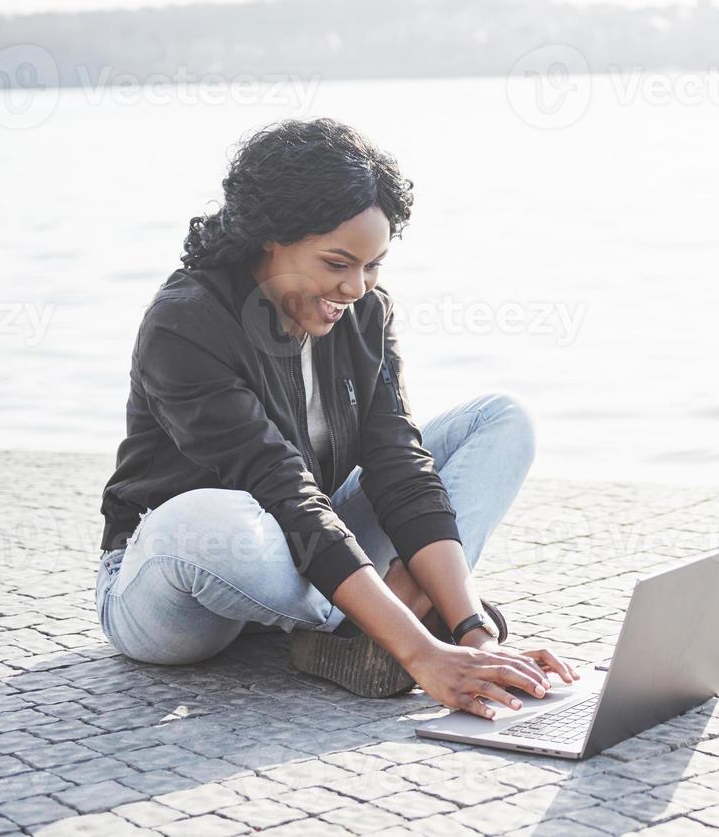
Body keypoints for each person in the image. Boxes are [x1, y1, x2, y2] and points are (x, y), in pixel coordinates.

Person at [95, 117, 577, 720]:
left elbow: (399, 467)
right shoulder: (186, 322)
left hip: (306, 554)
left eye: (373, 266)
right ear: (271, 237)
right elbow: (282, 490)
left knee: (501, 420)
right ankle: (383, 621)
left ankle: (363, 625)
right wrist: (423, 653)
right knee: (208, 513)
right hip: (176, 584)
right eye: (337, 263)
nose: (355, 288)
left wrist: (475, 634)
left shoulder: (364, 313)